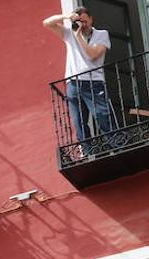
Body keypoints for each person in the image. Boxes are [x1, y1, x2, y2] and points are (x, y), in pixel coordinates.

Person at [43, 8, 115, 152]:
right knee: (78, 122)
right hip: (73, 84)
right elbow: (46, 23)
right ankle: (88, 152)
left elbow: (92, 55)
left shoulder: (102, 34)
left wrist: (78, 37)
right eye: (80, 21)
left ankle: (118, 145)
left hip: (93, 83)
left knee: (102, 116)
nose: (83, 25)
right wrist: (67, 16)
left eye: (85, 21)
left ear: (91, 19)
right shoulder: (69, 34)